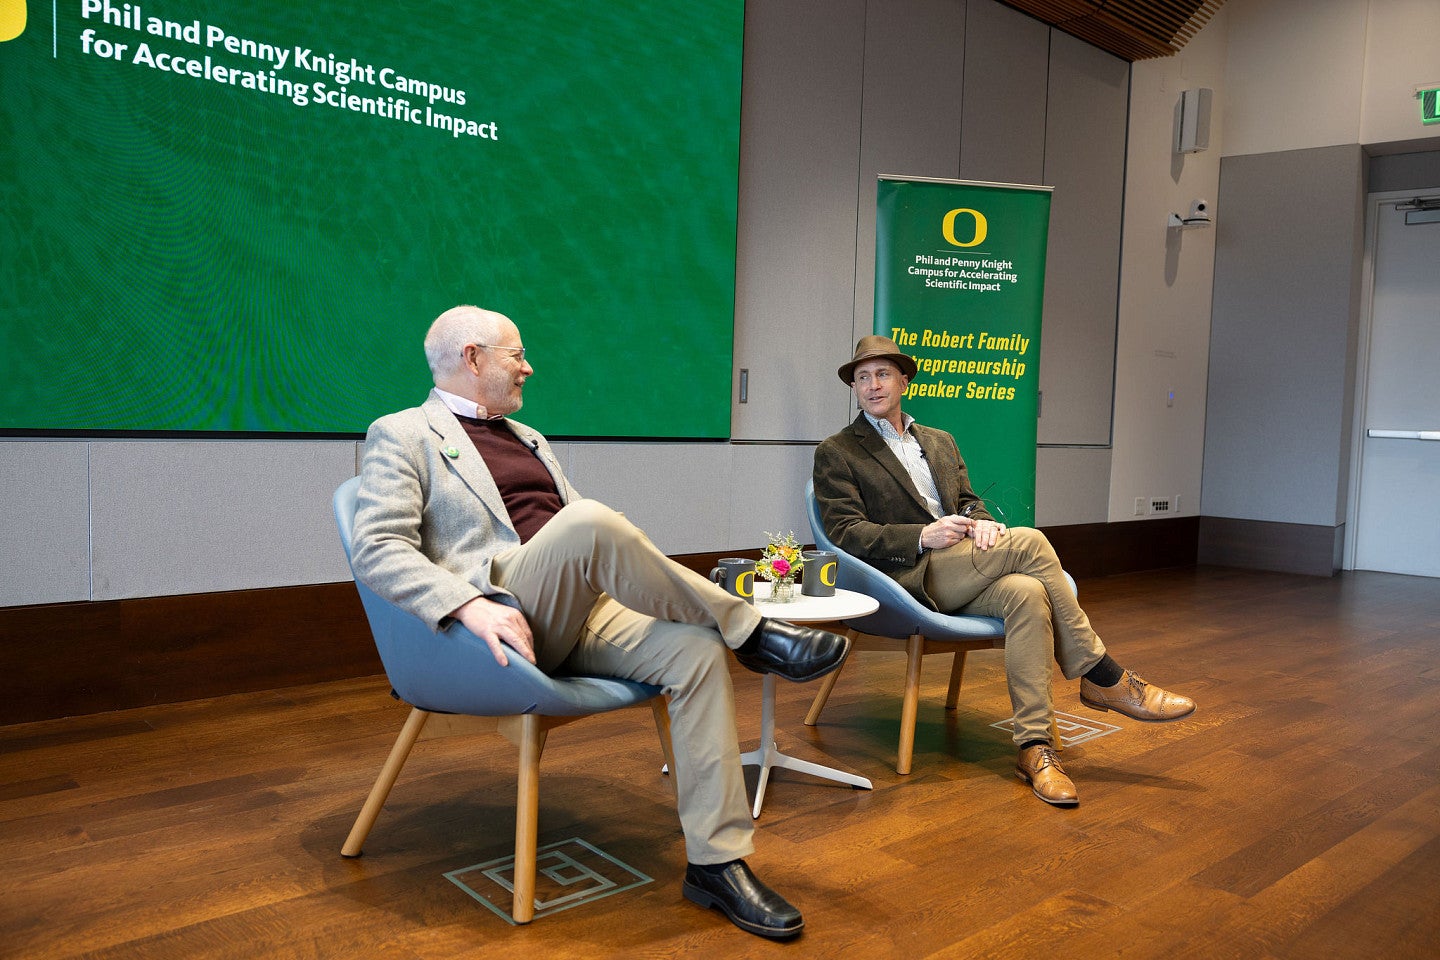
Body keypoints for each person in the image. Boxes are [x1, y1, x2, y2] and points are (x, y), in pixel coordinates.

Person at [351, 305, 850, 938]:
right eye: (516, 355)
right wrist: (467, 604)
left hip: (574, 612)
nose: (529, 368)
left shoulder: (530, 438)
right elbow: (377, 547)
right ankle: (752, 631)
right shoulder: (402, 434)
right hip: (494, 618)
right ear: (471, 358)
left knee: (696, 653)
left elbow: (590, 545)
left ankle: (717, 863)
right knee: (590, 522)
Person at [812, 335, 1195, 807]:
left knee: (1027, 594)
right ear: (854, 388)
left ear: (904, 381)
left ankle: (1034, 748)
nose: (872, 385)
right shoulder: (838, 451)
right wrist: (922, 536)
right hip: (906, 579)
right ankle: (1102, 674)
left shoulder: (939, 441)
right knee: (1031, 541)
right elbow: (844, 532)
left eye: (882, 374)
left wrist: (982, 523)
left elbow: (967, 501)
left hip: (963, 565)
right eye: (862, 378)